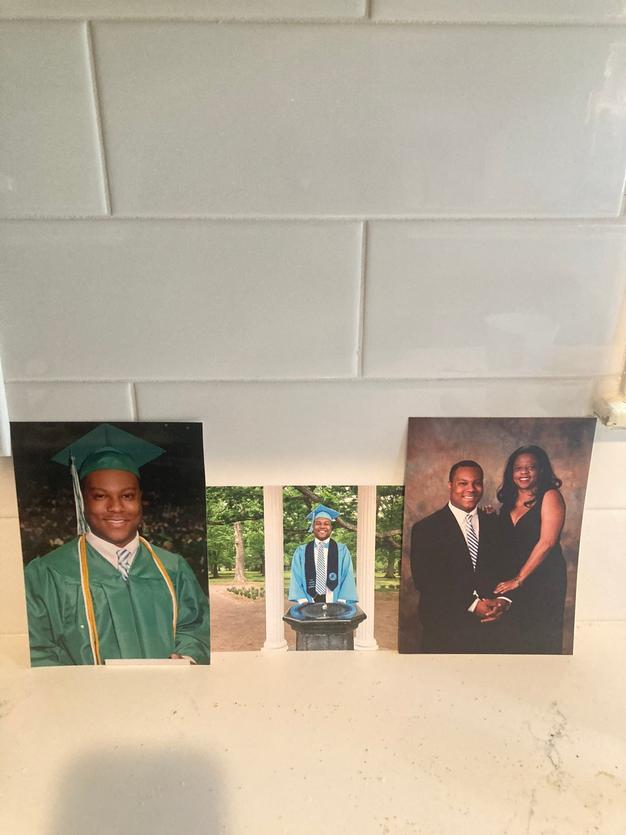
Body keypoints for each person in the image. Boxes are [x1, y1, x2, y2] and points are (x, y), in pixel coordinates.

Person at [24, 424, 210, 666]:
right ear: (82, 500)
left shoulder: (173, 568)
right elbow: (36, 651)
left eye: (127, 496)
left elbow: (196, 626)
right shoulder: (46, 574)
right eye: (100, 496)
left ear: (140, 499)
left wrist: (186, 657)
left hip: (168, 688)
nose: (116, 507)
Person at [409, 460, 517, 653]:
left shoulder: (496, 524)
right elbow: (426, 581)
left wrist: (503, 601)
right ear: (450, 485)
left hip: (492, 628)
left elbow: (508, 568)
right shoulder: (426, 529)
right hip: (445, 627)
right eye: (463, 483)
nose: (471, 489)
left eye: (477, 483)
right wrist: (473, 605)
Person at [493, 445, 566, 654]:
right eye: (518, 468)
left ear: (541, 470)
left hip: (543, 579)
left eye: (530, 467)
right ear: (511, 472)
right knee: (513, 640)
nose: (524, 472)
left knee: (538, 641)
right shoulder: (507, 503)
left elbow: (547, 542)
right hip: (514, 578)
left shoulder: (550, 496)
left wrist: (518, 579)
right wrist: (490, 519)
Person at [288, 504, 358, 605]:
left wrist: (341, 602)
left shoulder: (342, 550)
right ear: (313, 527)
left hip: (336, 600)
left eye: (326, 523)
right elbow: (296, 577)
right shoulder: (301, 551)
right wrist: (303, 601)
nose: (322, 526)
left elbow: (348, 576)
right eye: (318, 523)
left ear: (331, 527)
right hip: (308, 601)